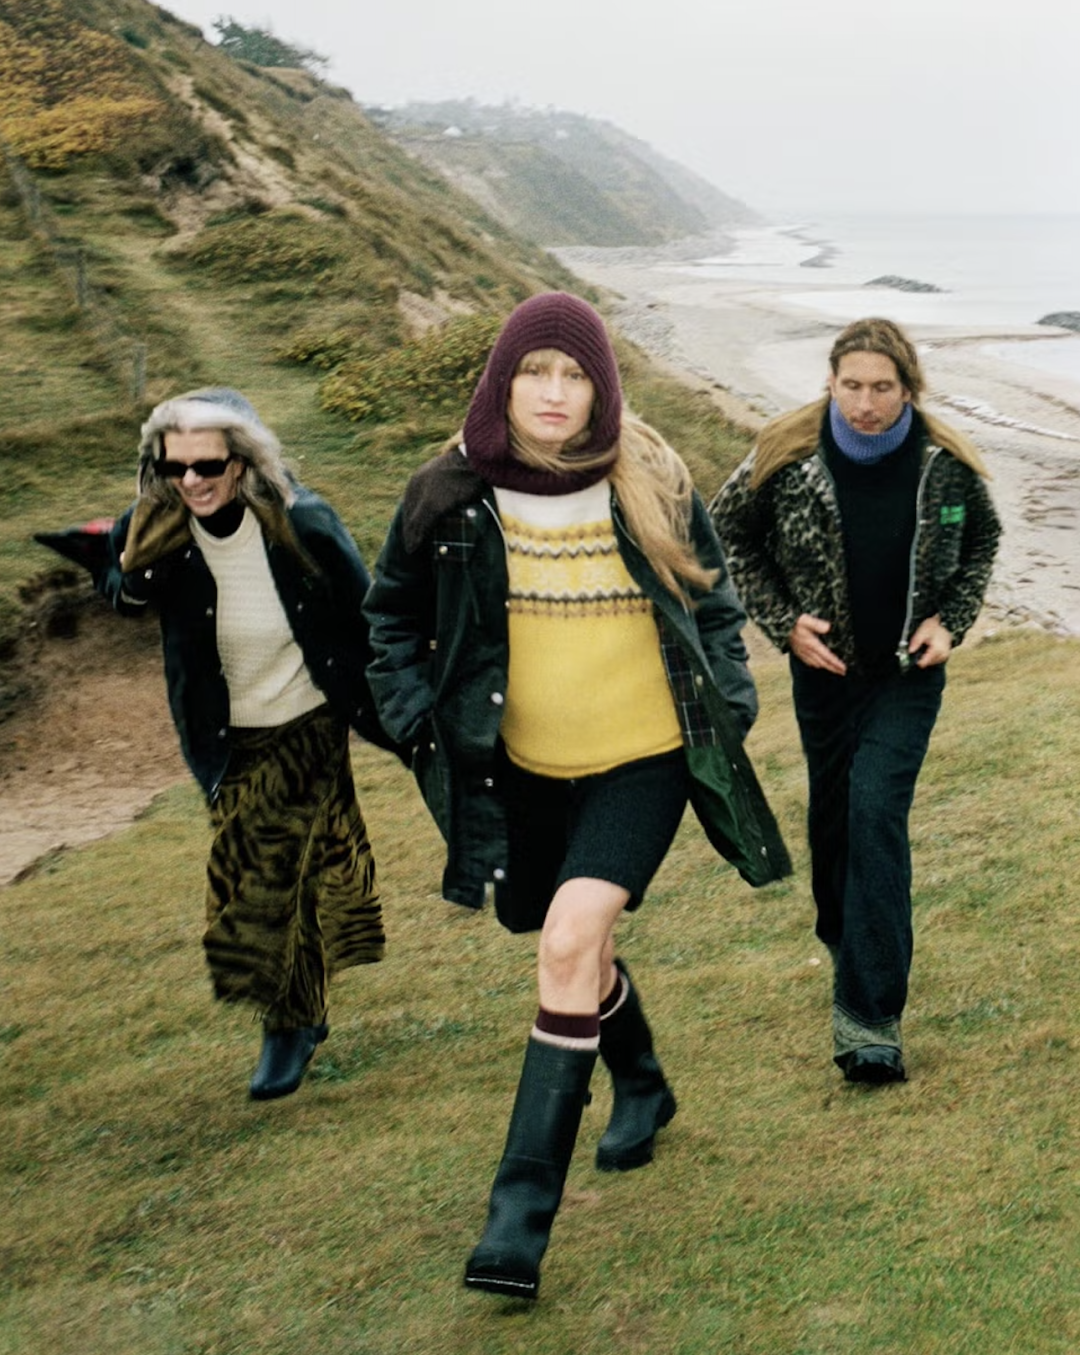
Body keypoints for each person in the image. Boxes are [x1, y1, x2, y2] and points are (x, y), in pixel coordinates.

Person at [362, 292, 791, 1300]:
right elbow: (389, 620)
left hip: (643, 759)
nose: (555, 393)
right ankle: (641, 1080)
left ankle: (515, 1225)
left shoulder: (651, 479)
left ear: (602, 388)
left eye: (576, 375)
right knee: (573, 947)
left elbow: (715, 604)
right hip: (518, 769)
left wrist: (728, 705)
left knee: (566, 940)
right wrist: (421, 724)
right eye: (534, 372)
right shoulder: (447, 493)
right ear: (501, 382)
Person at [710, 317, 1001, 1086]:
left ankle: (871, 1021)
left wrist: (950, 620)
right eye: (851, 386)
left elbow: (982, 540)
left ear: (908, 387)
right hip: (825, 678)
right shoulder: (786, 452)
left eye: (882, 387)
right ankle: (850, 940)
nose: (865, 404)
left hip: (907, 677)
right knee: (835, 823)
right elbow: (728, 534)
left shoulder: (944, 463)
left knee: (874, 808)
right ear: (831, 382)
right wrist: (782, 621)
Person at [84, 388, 398, 1100]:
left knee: (265, 866)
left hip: (308, 714)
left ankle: (287, 1024)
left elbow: (368, 611)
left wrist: (400, 701)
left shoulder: (301, 520)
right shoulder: (155, 523)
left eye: (207, 465)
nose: (191, 480)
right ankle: (302, 1010)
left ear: (242, 461)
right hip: (222, 733)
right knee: (283, 863)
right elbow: (120, 588)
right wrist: (132, 567)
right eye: (176, 467)